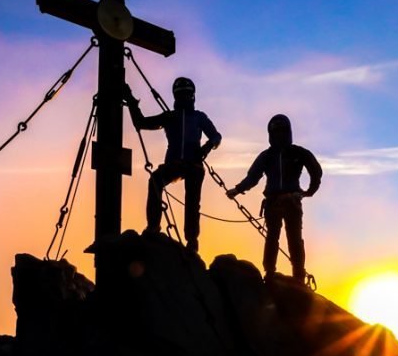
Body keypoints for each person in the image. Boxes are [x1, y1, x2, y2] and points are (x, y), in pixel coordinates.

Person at [123, 77, 222, 254]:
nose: (184, 98)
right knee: (157, 182)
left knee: (191, 201)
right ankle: (155, 228)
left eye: (186, 95)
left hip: (192, 165)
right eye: (181, 95)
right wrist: (130, 101)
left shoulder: (197, 117)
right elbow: (141, 123)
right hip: (178, 164)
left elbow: (216, 137)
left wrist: (206, 147)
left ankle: (191, 240)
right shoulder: (171, 117)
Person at [226, 114, 322, 282]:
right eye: (276, 132)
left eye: (281, 131)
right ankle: (283, 274)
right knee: (283, 238)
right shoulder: (286, 154)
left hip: (284, 201)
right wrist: (238, 189)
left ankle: (283, 274)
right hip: (280, 202)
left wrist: (309, 191)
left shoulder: (281, 154)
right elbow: (253, 177)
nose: (279, 135)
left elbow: (316, 171)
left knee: (282, 238)